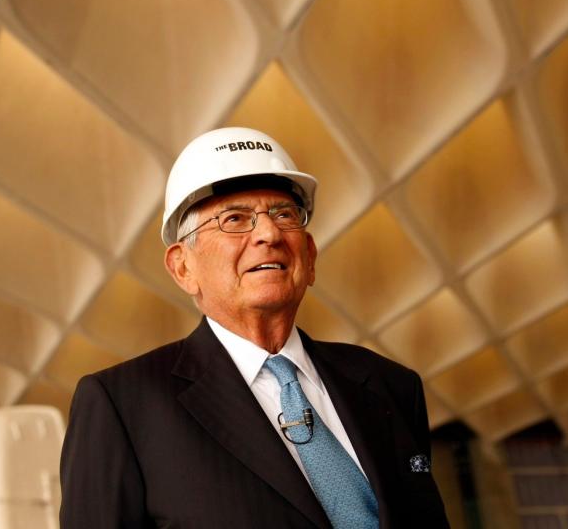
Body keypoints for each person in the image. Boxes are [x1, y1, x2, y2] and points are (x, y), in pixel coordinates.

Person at [59, 127, 448, 528]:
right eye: (235, 219)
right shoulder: (123, 405)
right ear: (182, 267)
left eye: (284, 214)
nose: (269, 233)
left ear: (310, 257)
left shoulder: (391, 386)